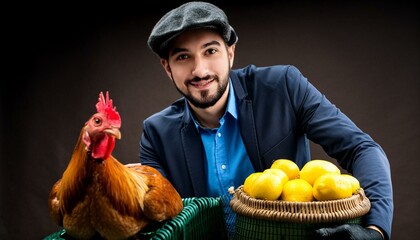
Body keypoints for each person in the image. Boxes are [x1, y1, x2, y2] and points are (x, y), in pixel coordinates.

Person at [139, 1, 393, 240]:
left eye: (211, 51)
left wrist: (375, 230)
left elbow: (361, 148)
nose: (200, 70)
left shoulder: (284, 86)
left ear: (230, 53)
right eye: (183, 57)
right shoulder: (156, 133)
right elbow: (160, 218)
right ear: (167, 67)